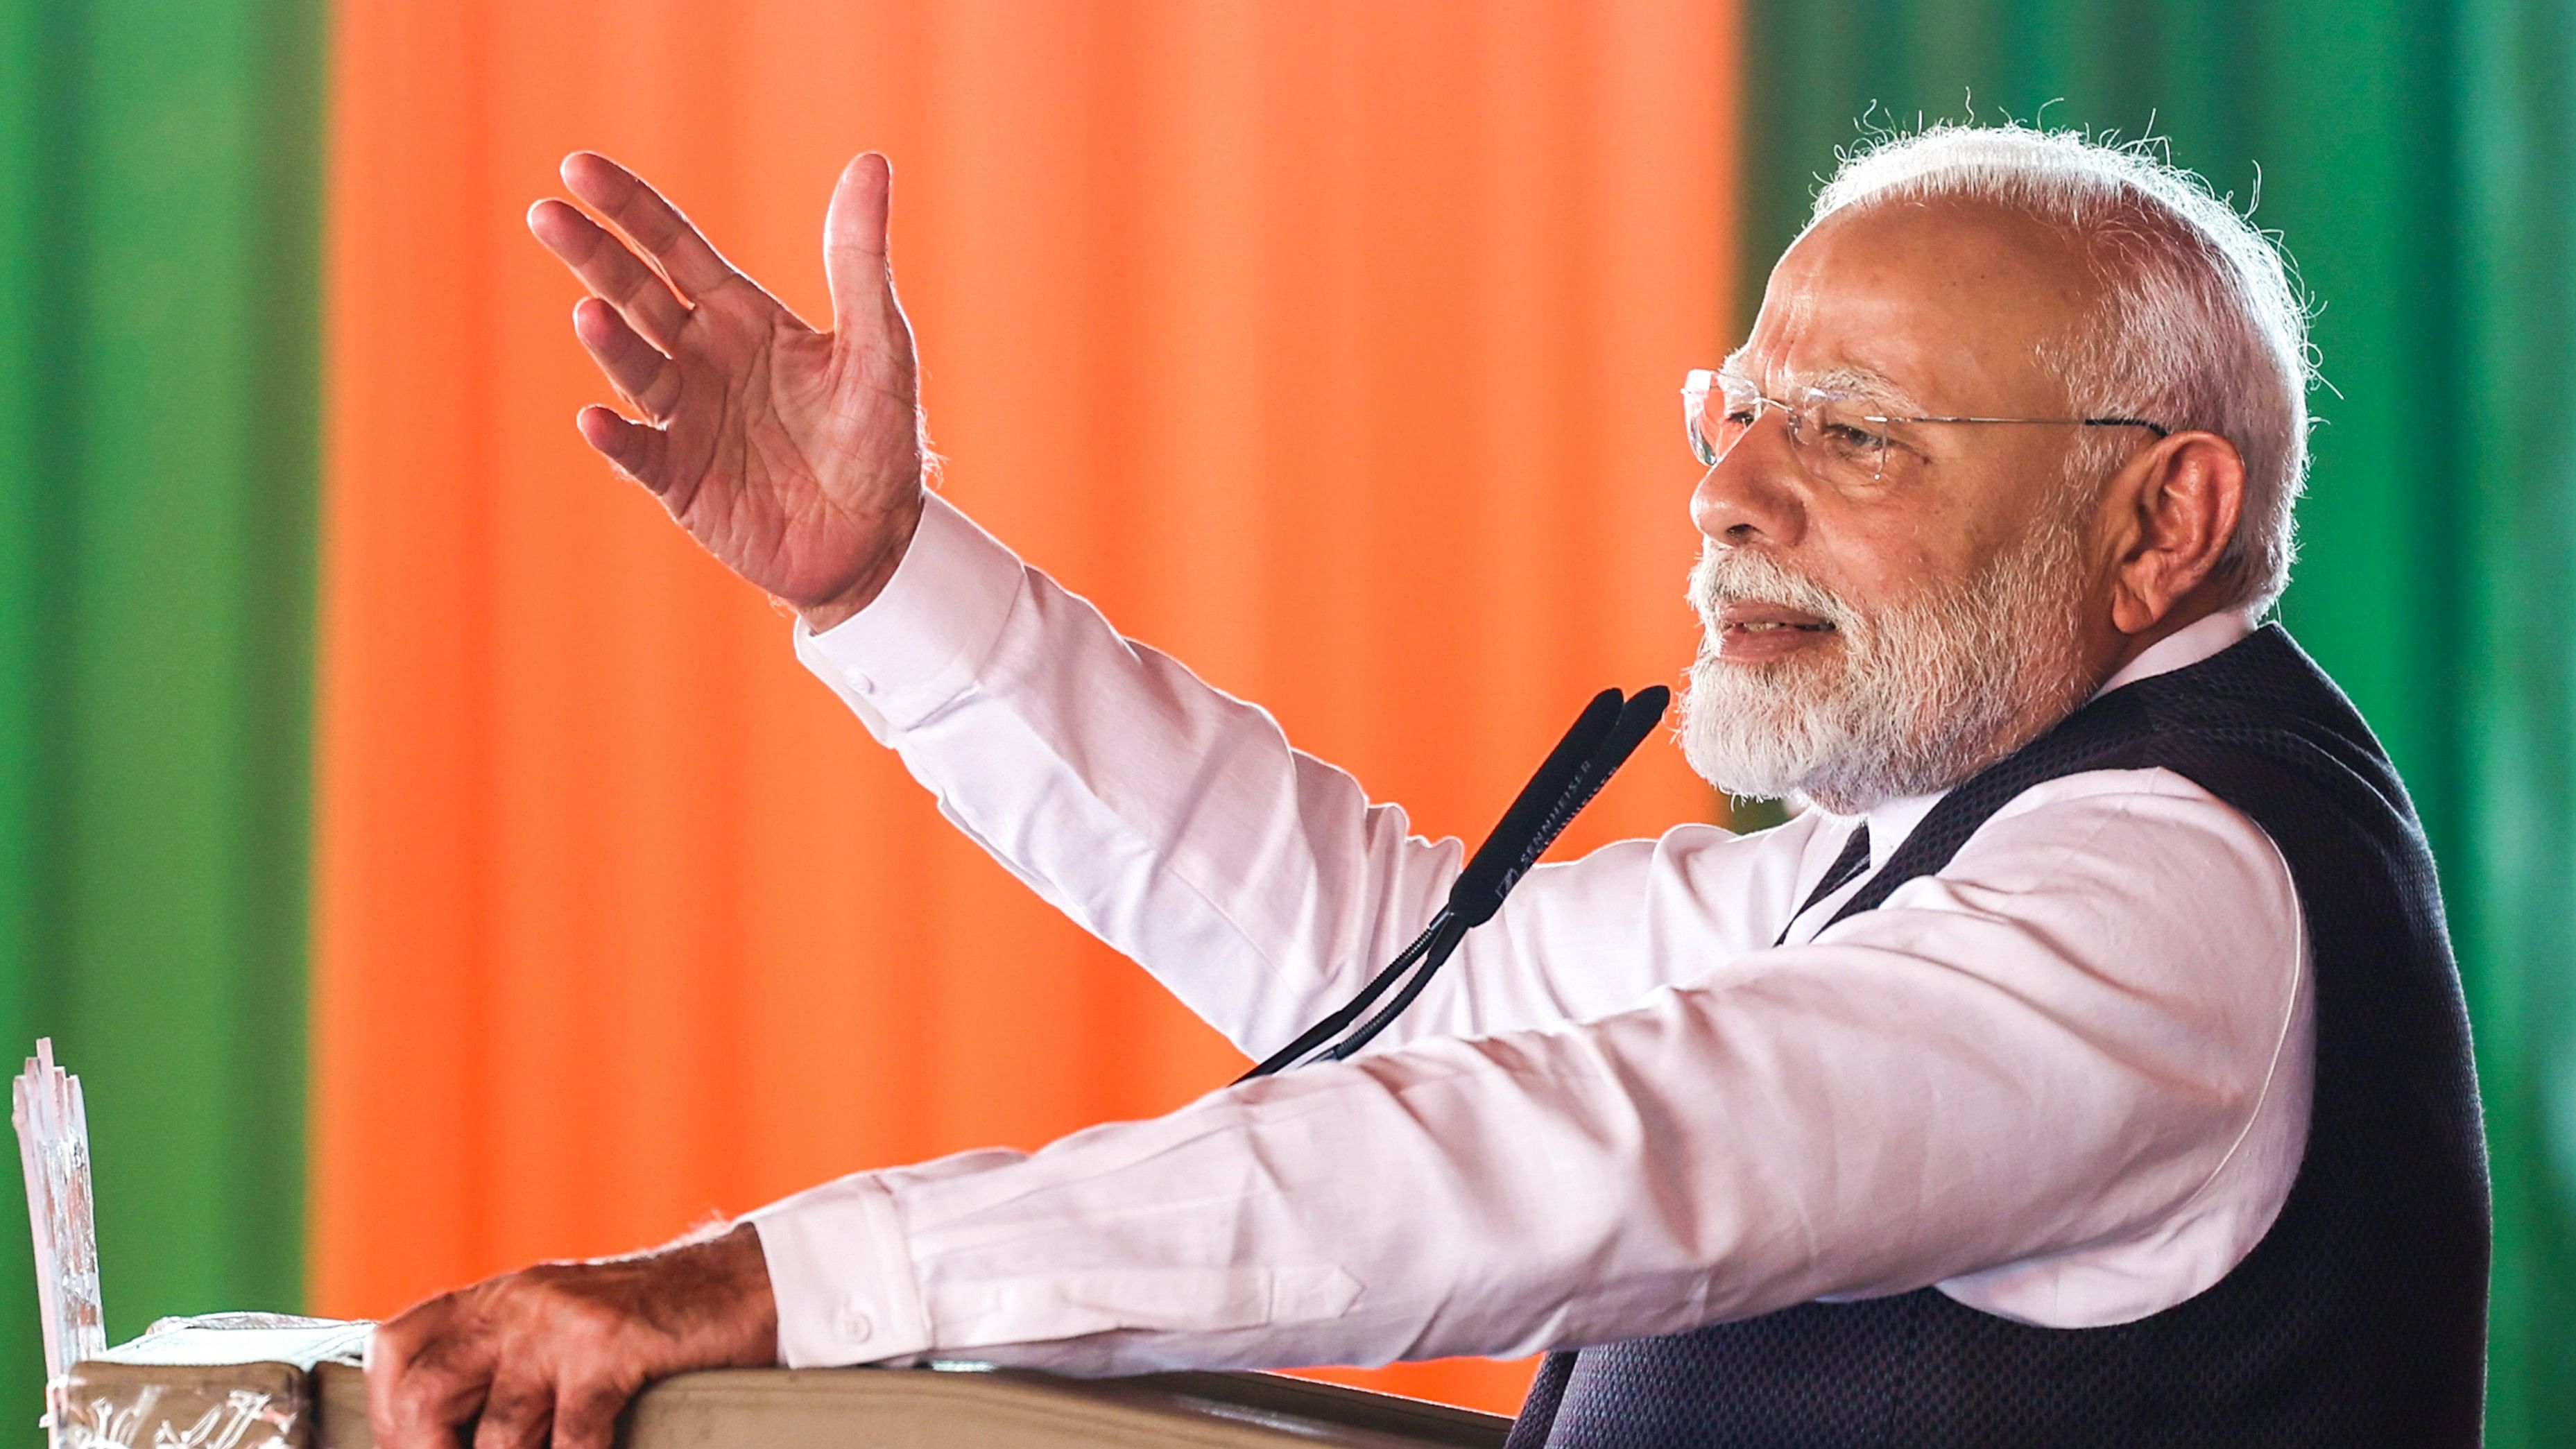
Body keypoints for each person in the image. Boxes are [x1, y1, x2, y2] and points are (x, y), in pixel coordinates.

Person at [366, 124, 2489, 1448]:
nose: (1727, 495)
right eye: (1731, 414)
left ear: (2162, 517)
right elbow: (1406, 971)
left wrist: (763, 1284)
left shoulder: (2166, 899)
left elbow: (1548, 1157)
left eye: (1846, 431)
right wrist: (892, 582)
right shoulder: (1956, 836)